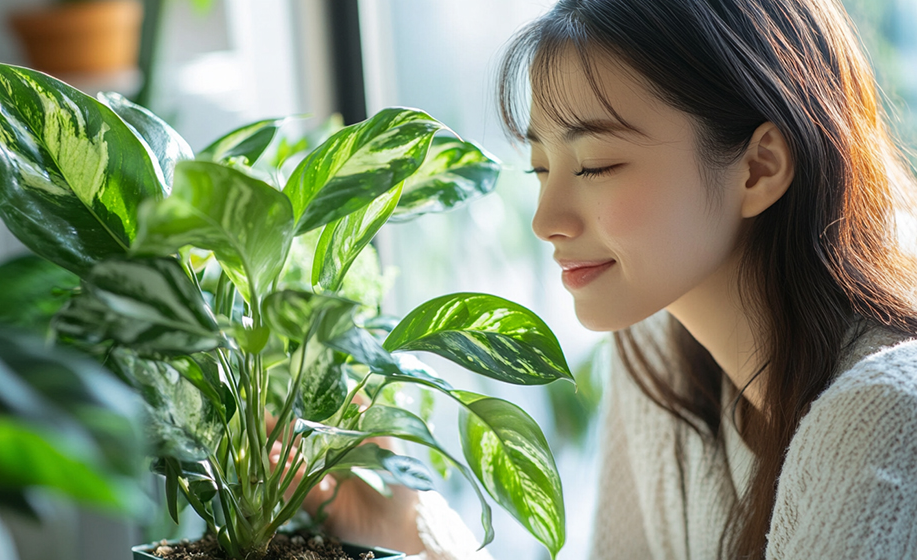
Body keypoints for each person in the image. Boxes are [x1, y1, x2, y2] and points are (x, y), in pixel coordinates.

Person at [305, 0, 917, 558]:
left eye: (596, 166)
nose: (546, 221)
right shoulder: (655, 354)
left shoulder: (885, 419)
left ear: (759, 168)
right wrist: (416, 531)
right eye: (540, 168)